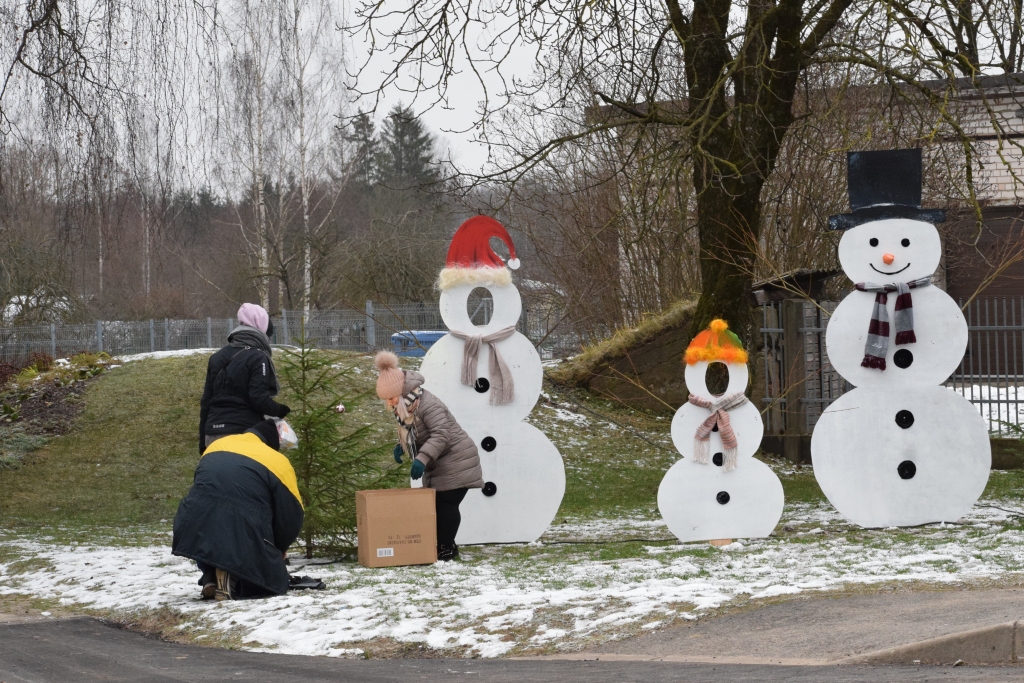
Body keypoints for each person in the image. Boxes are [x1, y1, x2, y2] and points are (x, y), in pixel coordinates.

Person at [173, 419, 304, 600]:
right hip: (241, 525)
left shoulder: (217, 445)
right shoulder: (277, 461)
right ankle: (229, 576)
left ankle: (210, 577)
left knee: (210, 524)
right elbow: (291, 514)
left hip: (191, 519)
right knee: (273, 579)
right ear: (274, 442)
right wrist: (280, 547)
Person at [375, 351, 483, 561]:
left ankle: (447, 549)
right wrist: (402, 446)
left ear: (401, 390)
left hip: (457, 459)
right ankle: (443, 546)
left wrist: (422, 458)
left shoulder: (427, 404)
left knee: (446, 504)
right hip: (440, 462)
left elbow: (441, 434)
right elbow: (413, 431)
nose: (388, 402)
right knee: (438, 505)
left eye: (390, 397)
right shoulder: (407, 404)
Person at [198, 303, 291, 453]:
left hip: (213, 433)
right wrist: (279, 410)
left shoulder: (216, 357)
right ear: (262, 327)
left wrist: (203, 441)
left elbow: (206, 403)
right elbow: (258, 398)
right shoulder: (257, 356)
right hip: (242, 432)